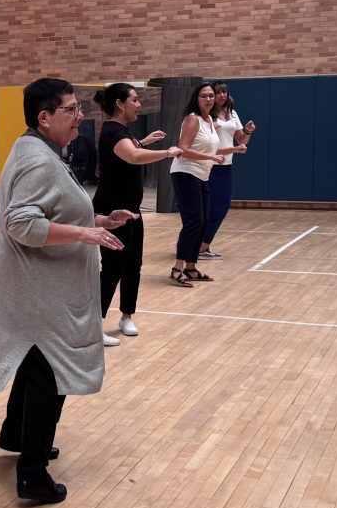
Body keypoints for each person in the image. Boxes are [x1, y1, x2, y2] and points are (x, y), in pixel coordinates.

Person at [0, 79, 138, 504]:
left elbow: (52, 208)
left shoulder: (35, 148)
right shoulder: (40, 160)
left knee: (35, 360)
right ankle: (32, 475)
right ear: (44, 117)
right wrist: (84, 233)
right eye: (72, 110)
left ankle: (16, 436)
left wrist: (99, 220)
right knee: (48, 370)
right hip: (34, 285)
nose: (80, 117)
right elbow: (21, 223)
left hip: (31, 282)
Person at [91, 83, 182, 342]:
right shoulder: (112, 130)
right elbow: (131, 157)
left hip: (132, 210)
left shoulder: (122, 132)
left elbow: (128, 150)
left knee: (133, 265)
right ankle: (93, 324)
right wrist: (167, 152)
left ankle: (126, 316)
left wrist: (144, 141)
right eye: (135, 99)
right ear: (120, 104)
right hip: (113, 212)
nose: (139, 104)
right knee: (112, 267)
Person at [168, 83, 233, 286]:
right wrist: (211, 157)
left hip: (202, 175)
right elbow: (183, 149)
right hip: (185, 173)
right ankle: (177, 268)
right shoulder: (192, 119)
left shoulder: (209, 121)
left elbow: (210, 150)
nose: (208, 99)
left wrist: (233, 150)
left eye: (211, 96)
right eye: (204, 96)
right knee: (194, 221)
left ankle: (191, 267)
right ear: (196, 99)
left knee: (203, 221)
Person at [198, 81, 256, 260]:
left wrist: (247, 131)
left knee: (221, 207)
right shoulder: (206, 115)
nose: (222, 95)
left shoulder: (232, 113)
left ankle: (201, 245)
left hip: (226, 166)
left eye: (224, 92)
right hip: (209, 165)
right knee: (208, 208)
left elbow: (241, 140)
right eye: (218, 92)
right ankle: (199, 246)